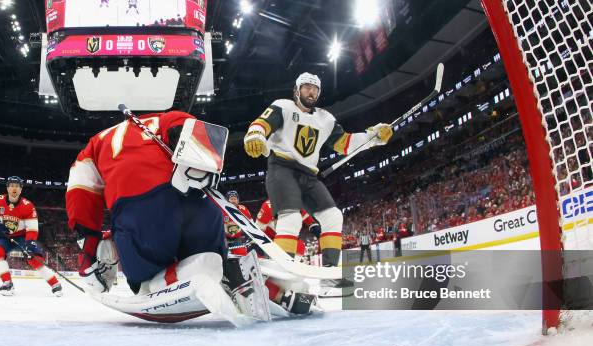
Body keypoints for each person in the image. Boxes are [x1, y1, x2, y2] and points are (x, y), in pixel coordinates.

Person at [65, 111, 269, 325]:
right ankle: (224, 273)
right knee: (209, 253)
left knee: (141, 278)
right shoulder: (168, 117)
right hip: (201, 201)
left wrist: (88, 241)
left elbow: (81, 190)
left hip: (141, 206)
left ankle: (153, 282)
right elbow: (199, 133)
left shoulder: (97, 142)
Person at [243, 72, 394, 269]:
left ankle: (330, 271)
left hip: (308, 175)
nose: (311, 91)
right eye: (307, 86)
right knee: (291, 218)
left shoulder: (326, 119)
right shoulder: (283, 106)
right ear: (296, 90)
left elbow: (344, 144)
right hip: (282, 167)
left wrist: (373, 137)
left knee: (333, 217)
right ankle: (282, 271)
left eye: (315, 88)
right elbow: (261, 124)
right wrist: (254, 136)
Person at [0, 176, 62, 296]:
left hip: (22, 236)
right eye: (11, 186)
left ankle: (55, 283)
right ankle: (7, 284)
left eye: (17, 186)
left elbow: (32, 228)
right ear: (7, 188)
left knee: (34, 259)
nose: (14, 188)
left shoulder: (27, 205)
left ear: (21, 189)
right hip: (5, 237)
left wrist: (30, 242)